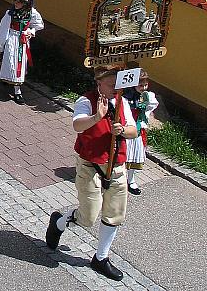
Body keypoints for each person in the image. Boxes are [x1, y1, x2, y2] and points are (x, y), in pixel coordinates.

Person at [45, 65, 139, 281]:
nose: (116, 88)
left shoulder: (122, 101)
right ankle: (59, 222)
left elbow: (133, 130)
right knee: (88, 216)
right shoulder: (86, 101)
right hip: (90, 164)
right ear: (99, 83)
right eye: (111, 84)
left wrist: (123, 130)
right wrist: (98, 117)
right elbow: (77, 125)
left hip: (116, 165)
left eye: (118, 84)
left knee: (115, 213)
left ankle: (101, 258)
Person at [0, 0, 44, 104]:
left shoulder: (31, 12)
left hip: (23, 41)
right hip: (12, 39)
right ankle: (6, 78)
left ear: (25, 3)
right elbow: (3, 28)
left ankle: (17, 91)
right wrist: (1, 45)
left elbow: (39, 25)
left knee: (19, 65)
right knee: (11, 61)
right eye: (15, 1)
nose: (16, 4)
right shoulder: (10, 13)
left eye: (19, 2)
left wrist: (30, 31)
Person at [123, 69, 158, 195]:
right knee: (123, 154)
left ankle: (131, 180)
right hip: (126, 129)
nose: (143, 88)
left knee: (136, 154)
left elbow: (149, 108)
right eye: (140, 85)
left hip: (138, 130)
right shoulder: (125, 97)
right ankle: (116, 178)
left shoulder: (147, 96)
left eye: (145, 85)